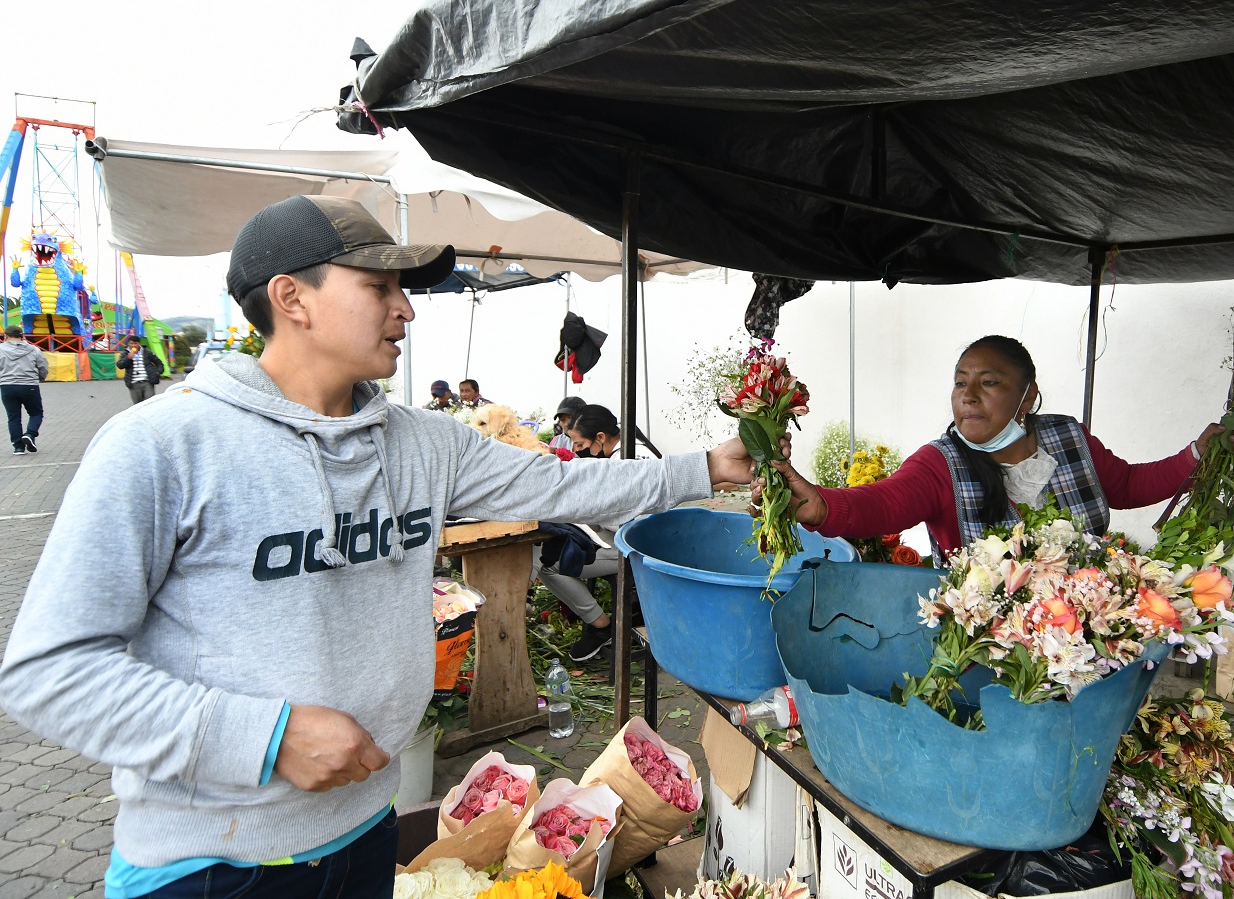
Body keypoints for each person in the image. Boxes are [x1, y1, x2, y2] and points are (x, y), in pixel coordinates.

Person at [0, 195, 757, 899]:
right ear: (291, 298)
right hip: (210, 862)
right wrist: (263, 738)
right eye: (379, 288)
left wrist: (704, 470)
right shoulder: (163, 446)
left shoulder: (425, 445)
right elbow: (49, 670)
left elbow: (561, 490)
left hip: (367, 833)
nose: (405, 311)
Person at [761, 334, 1234, 559]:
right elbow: (884, 503)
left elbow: (1128, 484)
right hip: (986, 655)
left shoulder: (1068, 437)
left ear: (1027, 395)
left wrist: (1198, 456)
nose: (968, 396)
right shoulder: (941, 464)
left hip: (1089, 637)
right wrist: (821, 504)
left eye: (988, 382)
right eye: (960, 383)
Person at [539, 404, 628, 662]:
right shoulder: (626, 451)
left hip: (632, 545)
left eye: (579, 445)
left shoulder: (622, 462)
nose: (577, 452)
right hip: (623, 536)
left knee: (547, 564)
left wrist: (580, 509)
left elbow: (623, 519)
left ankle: (601, 625)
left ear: (600, 438)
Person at [1, 324, 48, 454]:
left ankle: (18, 447)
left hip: (7, 386)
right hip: (29, 385)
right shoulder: (33, 349)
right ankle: (30, 434)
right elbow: (43, 366)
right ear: (22, 336)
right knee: (36, 413)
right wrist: (41, 378)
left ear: (5, 336)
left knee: (13, 417)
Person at [117, 334, 165, 404]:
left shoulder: (147, 352)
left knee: (150, 403)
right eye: (131, 343)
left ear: (139, 343)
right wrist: (128, 358)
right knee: (137, 405)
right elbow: (120, 365)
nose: (133, 345)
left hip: (147, 382)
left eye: (135, 343)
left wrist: (157, 372)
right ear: (128, 344)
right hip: (133, 383)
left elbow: (159, 363)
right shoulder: (125, 353)